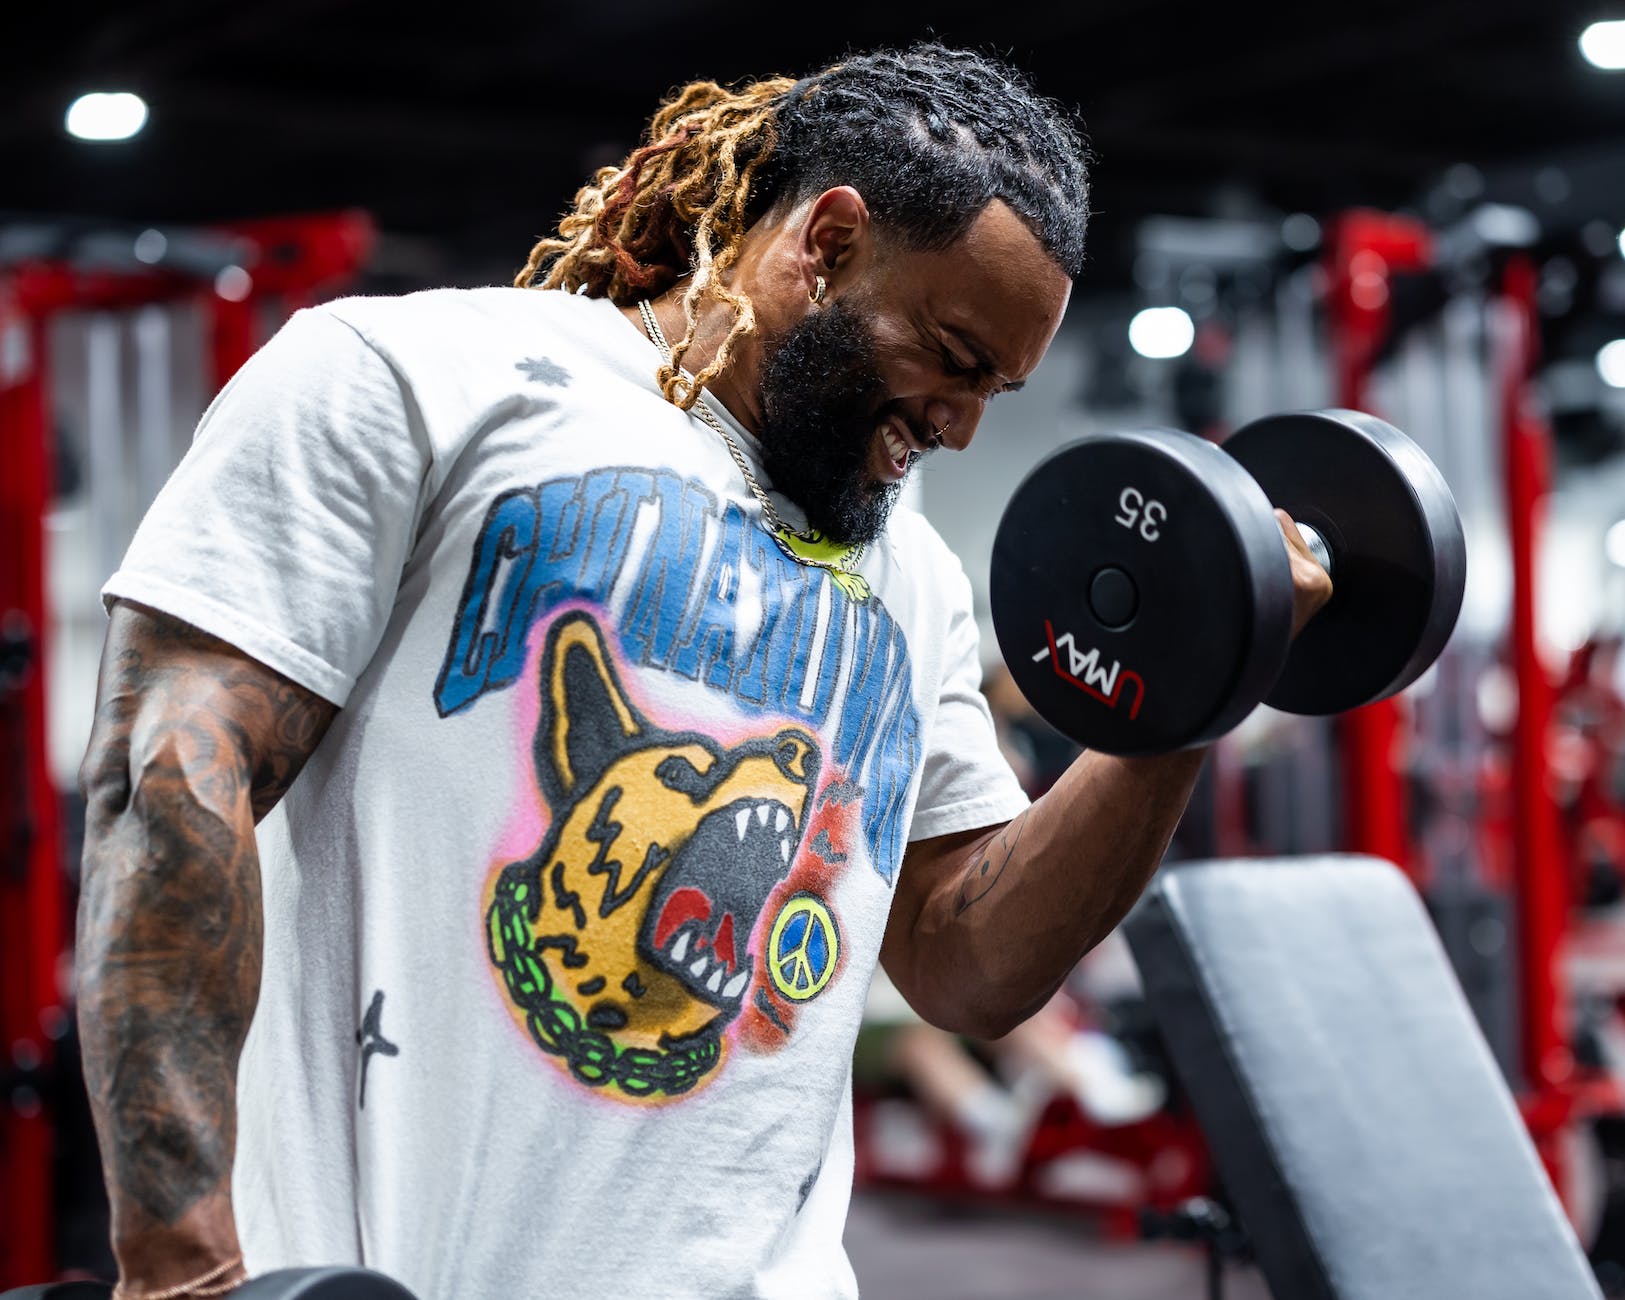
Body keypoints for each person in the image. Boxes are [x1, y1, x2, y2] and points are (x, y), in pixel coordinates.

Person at [74, 40, 1332, 1300]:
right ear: (825, 242)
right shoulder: (421, 381)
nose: (960, 426)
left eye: (996, 388)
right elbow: (174, 773)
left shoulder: (917, 583)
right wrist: (182, 1271)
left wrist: (1188, 686)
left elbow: (970, 962)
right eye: (951, 355)